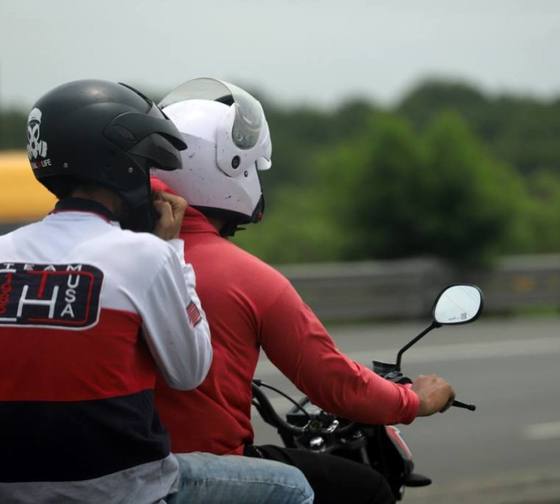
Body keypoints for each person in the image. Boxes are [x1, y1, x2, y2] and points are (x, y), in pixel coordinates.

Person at [0, 79, 313, 504]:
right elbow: (189, 371)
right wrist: (172, 248)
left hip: (14, 486)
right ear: (120, 165)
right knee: (292, 488)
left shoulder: (5, 251)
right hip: (122, 487)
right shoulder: (146, 256)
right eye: (146, 165)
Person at [151, 78, 457, 504]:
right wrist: (414, 400)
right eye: (251, 167)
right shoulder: (247, 277)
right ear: (227, 167)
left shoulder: (115, 253)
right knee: (367, 489)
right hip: (207, 469)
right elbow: (334, 384)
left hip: (115, 468)